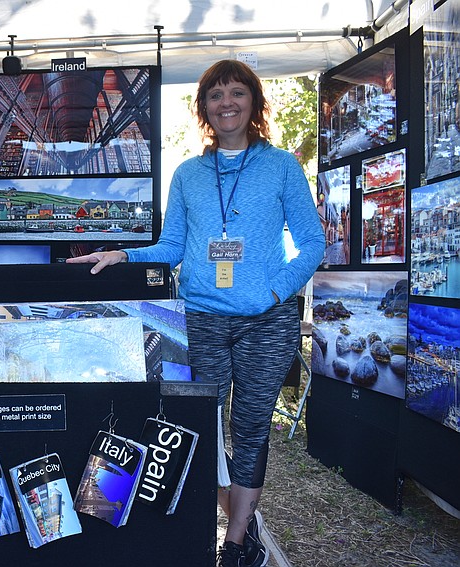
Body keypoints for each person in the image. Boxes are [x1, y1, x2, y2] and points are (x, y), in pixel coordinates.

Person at [67, 60, 324, 567]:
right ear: (203, 107)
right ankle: (201, 527)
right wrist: (123, 255)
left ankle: (235, 542)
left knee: (250, 427)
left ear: (254, 101)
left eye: (236, 92)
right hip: (201, 319)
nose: (226, 102)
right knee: (201, 423)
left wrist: (272, 293)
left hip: (266, 322)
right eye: (215, 95)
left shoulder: (282, 167)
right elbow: (172, 246)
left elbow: (313, 243)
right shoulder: (188, 174)